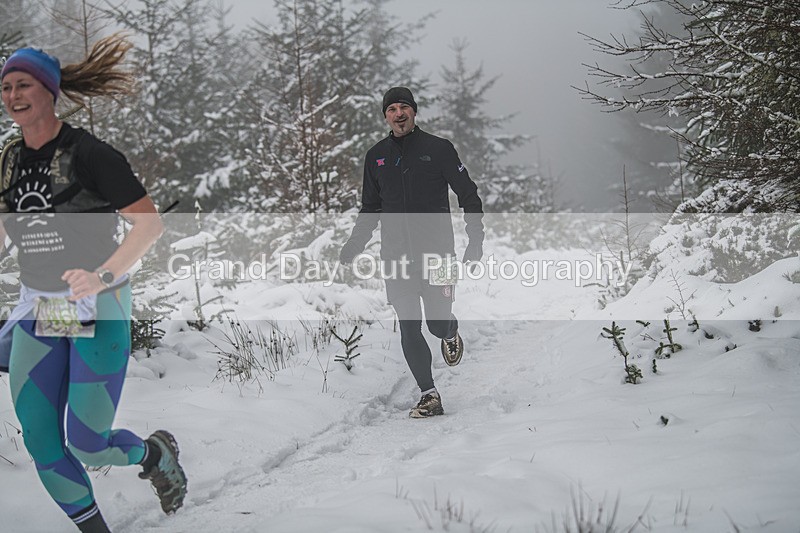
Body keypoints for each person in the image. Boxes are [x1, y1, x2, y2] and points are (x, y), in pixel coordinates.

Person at [0, 37, 187, 532]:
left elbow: (149, 226)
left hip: (98, 304)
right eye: (6, 87)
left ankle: (155, 454)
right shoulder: (10, 159)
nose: (13, 95)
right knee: (42, 441)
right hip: (43, 308)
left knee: (87, 441)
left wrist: (100, 274)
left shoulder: (90, 153)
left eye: (23, 85)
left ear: (49, 92)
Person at [340, 86, 484, 418]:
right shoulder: (375, 156)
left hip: (441, 257)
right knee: (408, 325)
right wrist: (354, 244)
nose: (399, 113)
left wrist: (475, 240)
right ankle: (429, 394)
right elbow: (370, 208)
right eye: (391, 109)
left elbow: (468, 194)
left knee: (436, 324)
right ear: (386, 116)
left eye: (404, 107)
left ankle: (449, 328)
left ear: (414, 112)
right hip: (396, 258)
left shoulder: (439, 149)